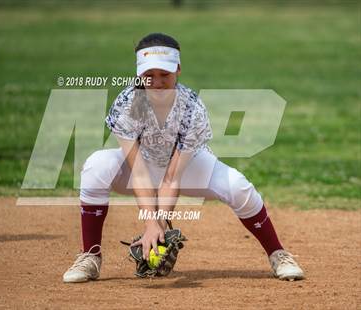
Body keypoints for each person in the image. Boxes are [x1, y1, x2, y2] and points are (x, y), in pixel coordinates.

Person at [63, 33, 304, 283]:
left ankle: (278, 254)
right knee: (96, 165)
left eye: (164, 75)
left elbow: (171, 179)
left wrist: (160, 224)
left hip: (188, 170)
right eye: (149, 75)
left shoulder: (192, 108)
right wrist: (151, 225)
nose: (156, 82)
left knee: (239, 186)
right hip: (142, 168)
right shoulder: (127, 104)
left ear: (178, 70)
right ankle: (90, 256)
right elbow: (140, 172)